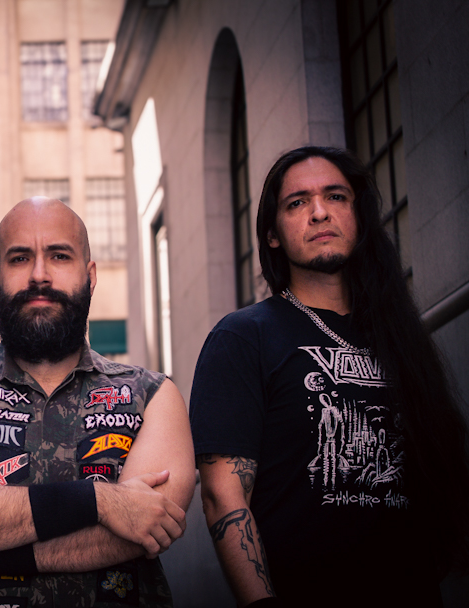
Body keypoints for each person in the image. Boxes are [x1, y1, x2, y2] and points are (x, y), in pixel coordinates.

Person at [191, 146, 469, 606]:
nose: (319, 212)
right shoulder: (243, 337)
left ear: (358, 216)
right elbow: (224, 497)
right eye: (297, 203)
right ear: (273, 234)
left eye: (336, 197)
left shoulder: (398, 336)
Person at [0, 197, 194, 607]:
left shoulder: (153, 396)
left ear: (90, 275)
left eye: (59, 255)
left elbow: (149, 525)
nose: (39, 275)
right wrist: (103, 501)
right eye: (20, 258)